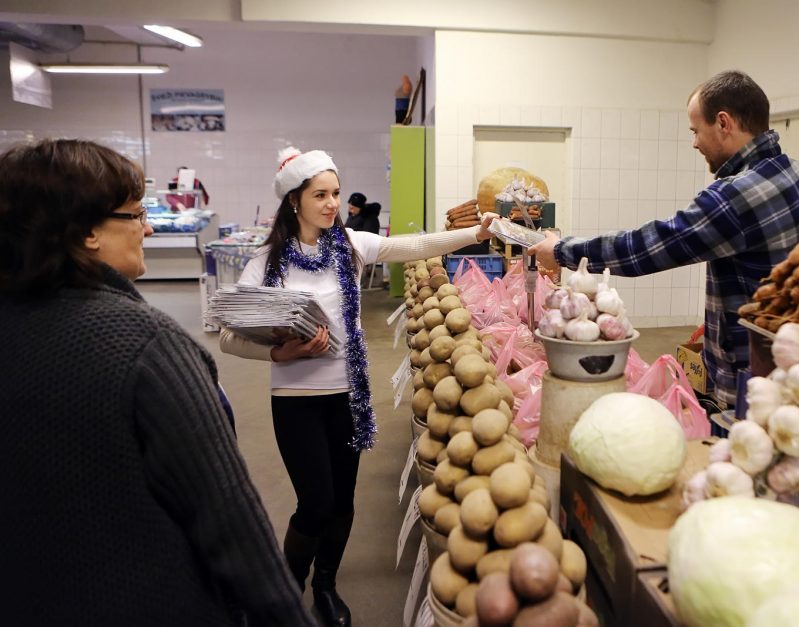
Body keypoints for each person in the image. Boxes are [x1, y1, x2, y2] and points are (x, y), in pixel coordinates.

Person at [0, 139, 316, 626]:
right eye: (134, 214)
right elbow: (227, 515)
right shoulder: (146, 345)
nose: (147, 227)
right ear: (86, 231)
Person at [218, 146, 493, 626]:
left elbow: (416, 246)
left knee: (342, 502)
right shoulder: (265, 264)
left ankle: (326, 584)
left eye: (336, 194)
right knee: (316, 502)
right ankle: (287, 588)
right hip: (296, 400)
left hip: (348, 397)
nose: (331, 204)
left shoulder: (350, 245)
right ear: (293, 202)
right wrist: (276, 353)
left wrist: (475, 233)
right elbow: (229, 337)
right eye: (320, 195)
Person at [529, 70, 799, 408]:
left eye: (696, 131)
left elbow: (648, 247)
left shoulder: (734, 197)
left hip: (753, 380)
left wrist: (563, 250)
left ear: (723, 123)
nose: (695, 143)